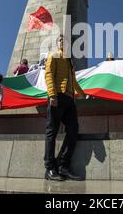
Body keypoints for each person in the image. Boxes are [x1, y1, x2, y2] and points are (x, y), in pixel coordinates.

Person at [44, 35, 88, 181]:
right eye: (61, 41)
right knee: (52, 132)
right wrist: (52, 95)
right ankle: (50, 168)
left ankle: (63, 165)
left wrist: (83, 94)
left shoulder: (70, 62)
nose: (64, 43)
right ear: (58, 44)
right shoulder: (54, 56)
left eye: (66, 41)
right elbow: (49, 75)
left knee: (73, 130)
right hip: (57, 97)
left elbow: (73, 81)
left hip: (70, 100)